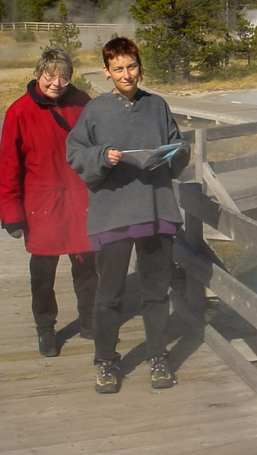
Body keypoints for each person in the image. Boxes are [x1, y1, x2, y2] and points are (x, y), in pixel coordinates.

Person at [66, 37, 190, 394]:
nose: (126, 74)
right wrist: (102, 157)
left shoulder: (157, 106)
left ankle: (157, 356)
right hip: (113, 212)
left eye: (131, 66)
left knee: (155, 292)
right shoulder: (95, 110)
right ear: (106, 72)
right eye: (118, 68)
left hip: (156, 208)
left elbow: (178, 148)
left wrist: (177, 152)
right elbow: (74, 152)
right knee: (110, 294)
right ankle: (106, 362)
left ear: (140, 67)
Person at [0, 47, 97, 358]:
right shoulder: (19, 111)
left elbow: (99, 149)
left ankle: (90, 321)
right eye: (50, 75)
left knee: (87, 267)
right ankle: (46, 329)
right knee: (43, 272)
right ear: (39, 73)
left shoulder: (84, 104)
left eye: (64, 76)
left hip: (81, 199)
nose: (56, 82)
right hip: (42, 205)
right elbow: (8, 167)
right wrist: (12, 215)